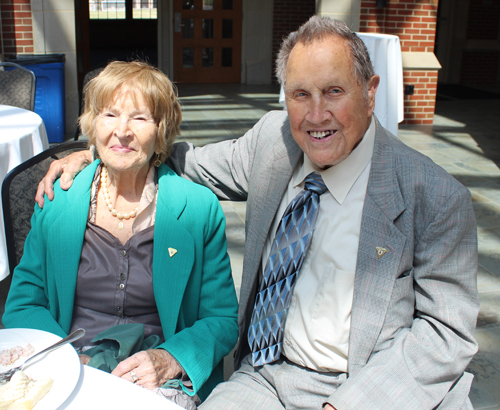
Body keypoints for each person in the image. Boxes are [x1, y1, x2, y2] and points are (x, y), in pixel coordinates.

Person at [35, 16, 479, 410]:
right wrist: (92, 154)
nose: (316, 114)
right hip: (267, 376)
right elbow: (182, 158)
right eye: (300, 94)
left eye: (334, 92)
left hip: (365, 385)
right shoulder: (275, 139)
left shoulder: (434, 196)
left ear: (370, 91)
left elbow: (445, 334)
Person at [4, 60, 238, 408]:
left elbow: (221, 319)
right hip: (68, 364)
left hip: (153, 376)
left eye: (140, 118)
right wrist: (66, 358)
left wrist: (169, 360)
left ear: (161, 131)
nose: (122, 131)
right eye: (110, 115)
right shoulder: (56, 200)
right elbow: (23, 302)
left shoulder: (197, 209)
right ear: (92, 124)